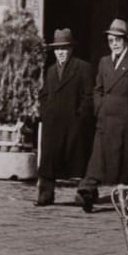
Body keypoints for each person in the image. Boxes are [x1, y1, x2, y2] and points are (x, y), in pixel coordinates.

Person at [76, 19, 128, 212]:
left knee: (127, 162)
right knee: (97, 159)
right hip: (105, 118)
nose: (114, 43)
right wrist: (100, 107)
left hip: (125, 120)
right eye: (111, 40)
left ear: (126, 41)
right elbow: (98, 88)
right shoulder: (104, 62)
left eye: (118, 40)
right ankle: (88, 190)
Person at [35, 28, 94, 206]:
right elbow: (44, 94)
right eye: (58, 49)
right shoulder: (51, 70)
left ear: (71, 49)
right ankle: (46, 193)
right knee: (48, 159)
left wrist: (80, 115)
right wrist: (45, 112)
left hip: (73, 122)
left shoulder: (83, 68)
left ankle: (85, 193)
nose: (61, 53)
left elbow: (89, 95)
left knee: (80, 159)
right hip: (52, 122)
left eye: (64, 49)